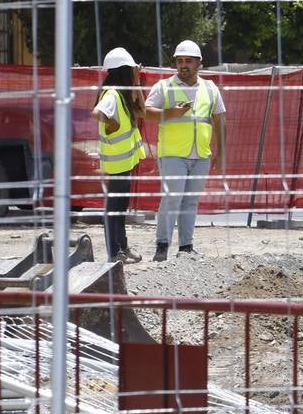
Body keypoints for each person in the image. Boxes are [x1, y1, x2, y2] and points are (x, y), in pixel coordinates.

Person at [145, 39, 225, 261]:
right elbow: (146, 112)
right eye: (179, 61)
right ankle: (162, 246)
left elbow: (219, 120)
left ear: (199, 63)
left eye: (188, 61)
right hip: (172, 154)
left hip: (201, 154)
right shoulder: (163, 86)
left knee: (191, 201)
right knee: (172, 198)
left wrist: (221, 152)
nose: (183, 65)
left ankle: (186, 248)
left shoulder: (210, 88)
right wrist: (171, 113)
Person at [92, 47, 147, 264]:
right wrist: (111, 122)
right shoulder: (113, 95)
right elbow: (97, 112)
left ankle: (122, 247)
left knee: (120, 206)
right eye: (132, 69)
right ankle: (114, 253)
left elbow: (141, 110)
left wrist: (136, 81)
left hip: (125, 161)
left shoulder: (122, 94)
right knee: (113, 208)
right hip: (117, 162)